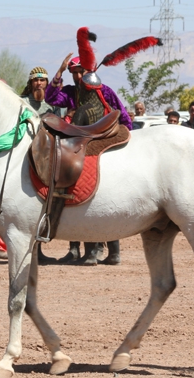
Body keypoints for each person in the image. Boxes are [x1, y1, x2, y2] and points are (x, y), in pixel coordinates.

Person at [44, 30, 132, 266]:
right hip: (80, 140)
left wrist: (127, 137)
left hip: (103, 139)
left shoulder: (104, 91)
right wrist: (60, 72)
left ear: (88, 71)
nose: (77, 76)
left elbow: (122, 115)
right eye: (73, 72)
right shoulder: (72, 93)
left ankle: (106, 251)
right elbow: (50, 98)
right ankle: (77, 248)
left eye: (79, 71)